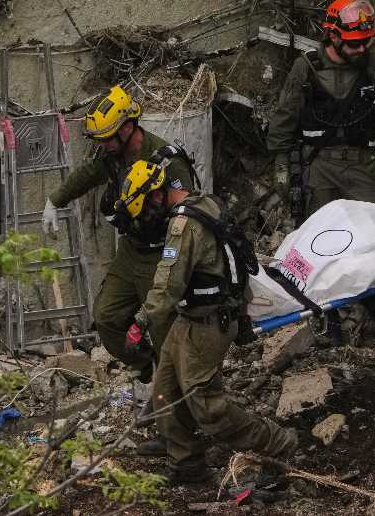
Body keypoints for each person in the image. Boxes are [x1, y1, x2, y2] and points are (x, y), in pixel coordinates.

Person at [121, 160, 297, 484]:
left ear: (158, 196)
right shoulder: (205, 201)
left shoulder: (183, 225)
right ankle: (187, 462)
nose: (149, 218)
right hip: (192, 317)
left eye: (146, 209)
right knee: (165, 391)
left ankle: (278, 443)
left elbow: (168, 282)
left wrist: (142, 321)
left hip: (208, 321)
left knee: (207, 405)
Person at [265, 0, 375, 340]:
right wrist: (282, 167)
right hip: (319, 163)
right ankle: (326, 315)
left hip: (362, 162)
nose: (361, 48)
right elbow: (284, 119)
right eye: (353, 42)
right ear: (333, 36)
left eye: (365, 41)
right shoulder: (307, 68)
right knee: (316, 242)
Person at [42, 85, 195, 375]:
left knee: (165, 332)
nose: (103, 145)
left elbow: (187, 214)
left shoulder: (167, 162)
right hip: (131, 253)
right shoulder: (113, 158)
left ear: (127, 128)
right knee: (106, 317)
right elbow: (87, 175)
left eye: (107, 138)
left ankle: (174, 395)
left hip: (163, 255)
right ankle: (145, 366)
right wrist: (55, 200)